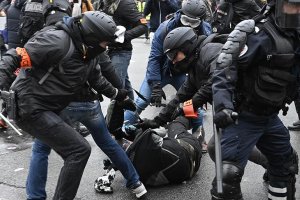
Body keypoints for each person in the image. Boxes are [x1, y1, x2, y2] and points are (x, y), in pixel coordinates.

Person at [0, 11, 145, 200]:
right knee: (79, 150)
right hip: (30, 106)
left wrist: (120, 96)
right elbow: (15, 55)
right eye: (105, 42)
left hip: (51, 107)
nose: (106, 47)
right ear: (93, 37)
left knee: (74, 150)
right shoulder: (57, 41)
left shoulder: (89, 53)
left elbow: (98, 81)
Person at [210, 0, 299, 199]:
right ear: (277, 6)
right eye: (293, 6)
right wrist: (223, 105)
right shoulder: (256, 33)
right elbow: (225, 66)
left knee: (287, 164)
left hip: (270, 117)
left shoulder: (296, 36)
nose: (297, 12)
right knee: (227, 177)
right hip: (243, 115)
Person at [124, 0, 211, 127]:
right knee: (141, 102)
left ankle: (197, 135)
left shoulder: (206, 32)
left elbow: (204, 60)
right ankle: (121, 129)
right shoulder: (165, 28)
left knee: (194, 108)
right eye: (186, 20)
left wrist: (201, 84)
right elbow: (154, 58)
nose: (189, 25)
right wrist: (156, 85)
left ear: (201, 21)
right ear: (180, 14)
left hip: (184, 75)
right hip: (161, 70)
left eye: (194, 22)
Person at [99, 0, 148, 100]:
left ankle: (118, 115)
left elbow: (143, 26)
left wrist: (123, 36)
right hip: (108, 50)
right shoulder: (104, 2)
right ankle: (131, 114)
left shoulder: (125, 3)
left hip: (120, 51)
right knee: (124, 87)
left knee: (118, 91)